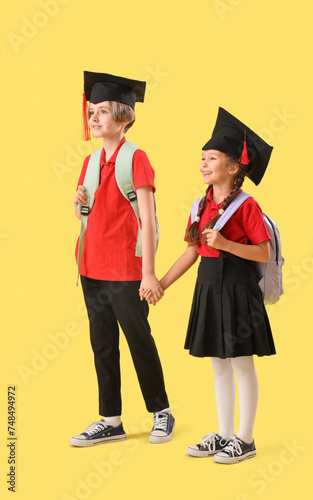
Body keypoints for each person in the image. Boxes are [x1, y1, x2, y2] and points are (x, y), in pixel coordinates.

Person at [144, 107, 276, 463]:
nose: (204, 163)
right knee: (218, 363)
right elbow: (191, 253)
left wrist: (225, 244)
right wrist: (161, 284)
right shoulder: (199, 205)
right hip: (208, 288)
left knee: (241, 364)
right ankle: (224, 433)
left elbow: (263, 253)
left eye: (212, 158)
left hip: (238, 289)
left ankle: (245, 439)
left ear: (233, 168)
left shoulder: (247, 206)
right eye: (202, 158)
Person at [70, 71, 175, 447]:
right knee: (102, 344)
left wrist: (149, 273)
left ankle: (161, 412)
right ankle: (110, 419)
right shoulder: (90, 162)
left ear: (124, 116)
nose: (93, 118)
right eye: (91, 112)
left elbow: (147, 219)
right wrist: (80, 206)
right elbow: (92, 215)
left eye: (102, 111)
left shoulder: (136, 159)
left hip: (127, 271)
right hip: (91, 267)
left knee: (138, 340)